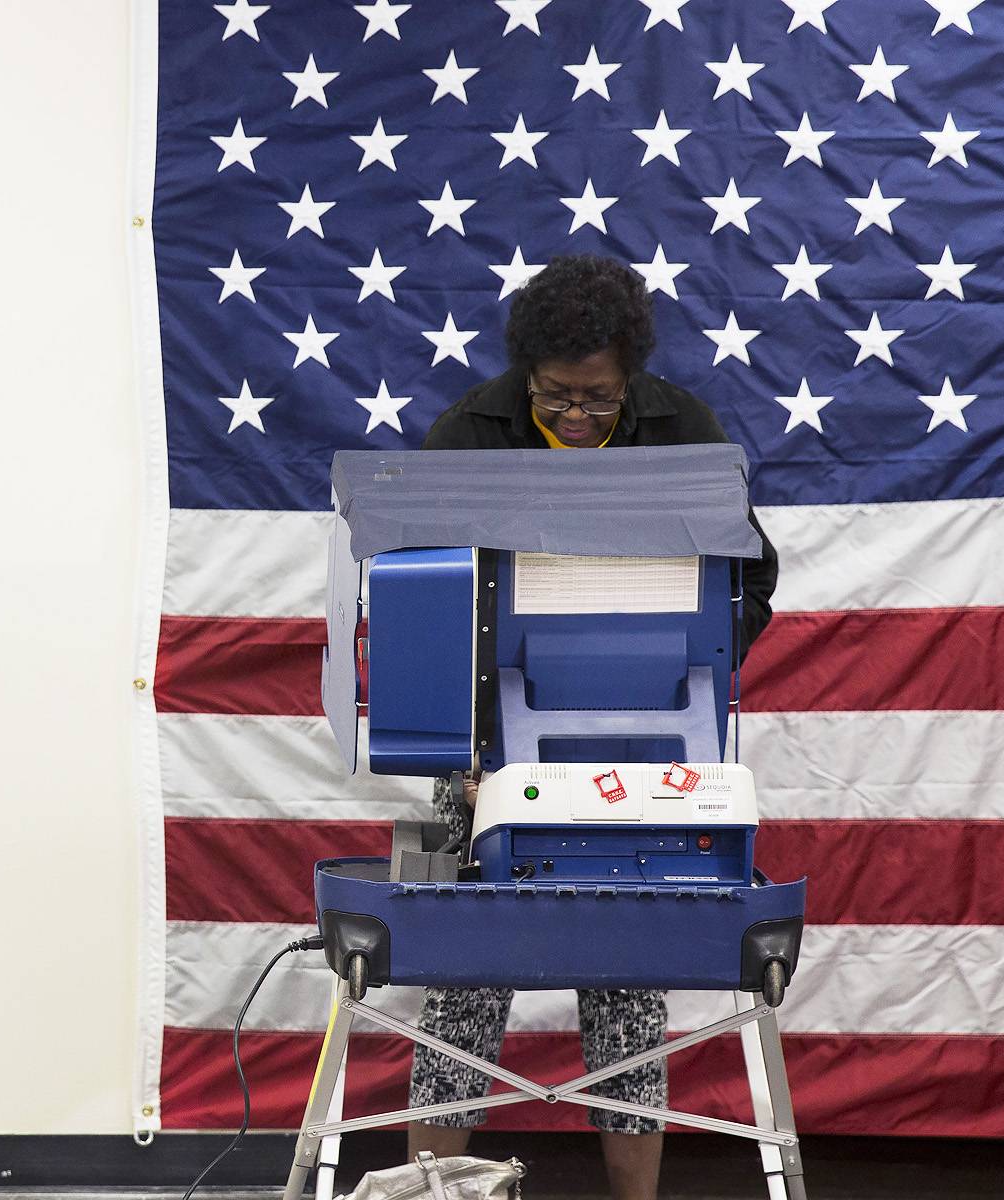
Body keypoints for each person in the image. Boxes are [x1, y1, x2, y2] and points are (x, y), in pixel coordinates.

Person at [410, 254, 779, 1200]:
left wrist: (677, 671)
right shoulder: (470, 435)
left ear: (632, 377)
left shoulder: (681, 431)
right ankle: (433, 1188)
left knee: (626, 976)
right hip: (485, 739)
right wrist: (455, 753)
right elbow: (423, 602)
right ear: (528, 373)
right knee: (466, 978)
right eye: (558, 398)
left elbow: (749, 579)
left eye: (599, 401)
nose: (578, 420)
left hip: (643, 738)